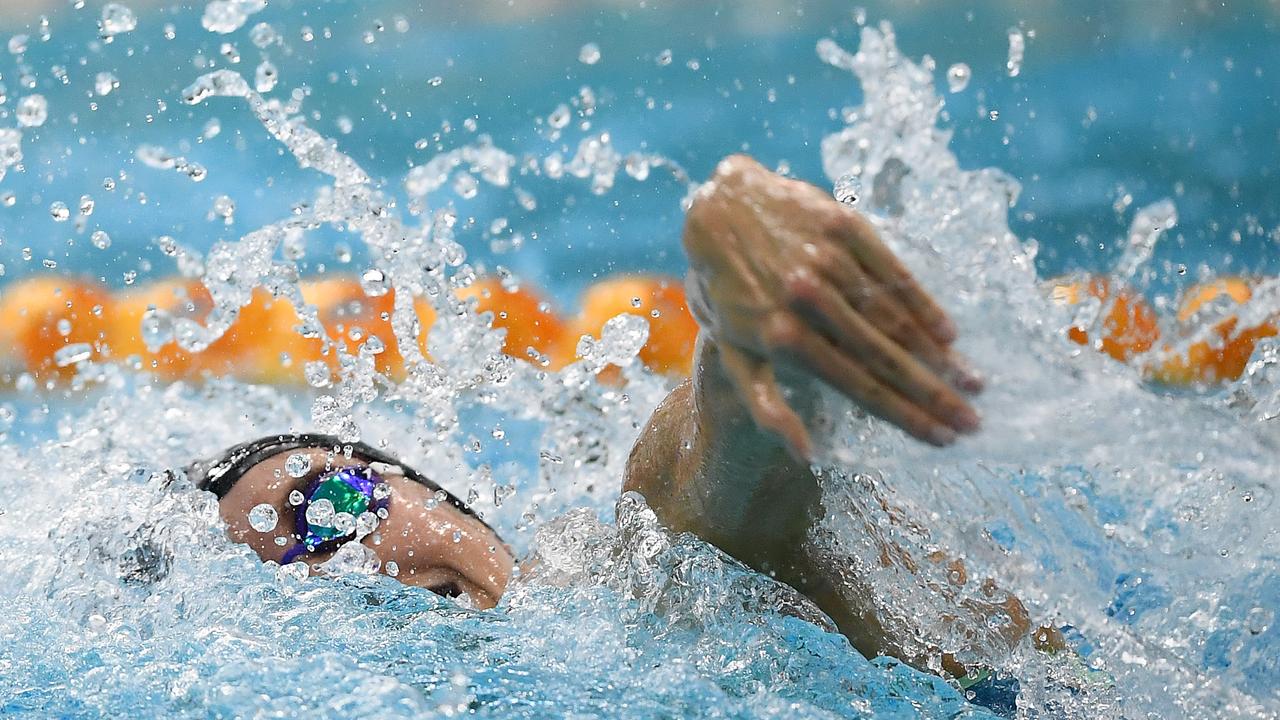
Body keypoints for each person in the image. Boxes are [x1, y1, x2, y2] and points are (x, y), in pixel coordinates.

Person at [188, 155, 1045, 691]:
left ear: (435, 494)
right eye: (285, 581)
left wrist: (736, 308)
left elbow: (711, 480)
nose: (346, 571)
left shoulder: (626, 583)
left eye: (328, 506)